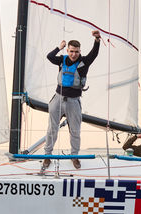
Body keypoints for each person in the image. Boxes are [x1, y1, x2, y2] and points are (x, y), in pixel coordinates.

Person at [43, 30, 101, 169]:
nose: (73, 54)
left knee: (75, 131)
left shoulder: (84, 62)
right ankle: (47, 156)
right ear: (68, 50)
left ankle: (74, 156)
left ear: (80, 51)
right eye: (71, 51)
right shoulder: (61, 59)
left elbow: (94, 54)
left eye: (76, 51)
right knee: (52, 130)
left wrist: (97, 40)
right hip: (58, 99)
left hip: (74, 101)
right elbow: (49, 57)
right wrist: (59, 47)